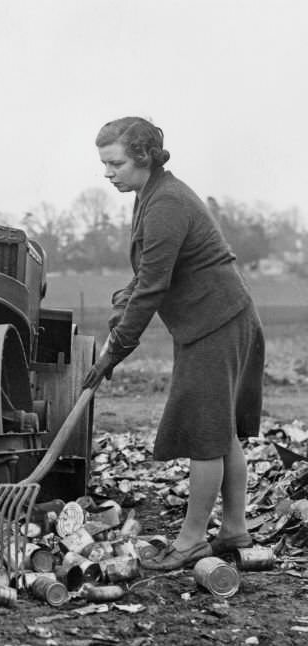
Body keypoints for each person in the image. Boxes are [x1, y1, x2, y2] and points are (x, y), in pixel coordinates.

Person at [82, 117, 265, 571]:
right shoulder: (150, 195)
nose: (107, 173)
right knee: (219, 430)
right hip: (217, 318)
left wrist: (115, 349)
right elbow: (146, 275)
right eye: (104, 164)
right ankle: (235, 528)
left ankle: (191, 541)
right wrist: (122, 303)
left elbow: (153, 288)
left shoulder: (166, 203)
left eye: (115, 163)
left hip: (216, 323)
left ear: (143, 156)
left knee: (206, 433)